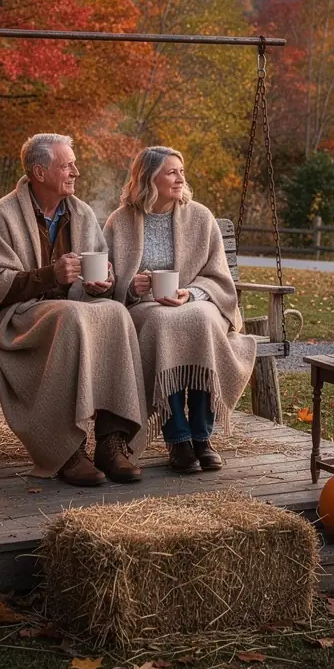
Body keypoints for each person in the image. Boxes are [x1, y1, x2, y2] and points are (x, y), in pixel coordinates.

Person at [0, 133, 147, 487]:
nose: (75, 172)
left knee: (116, 314)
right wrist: (49, 275)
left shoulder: (80, 212)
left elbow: (100, 269)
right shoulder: (2, 214)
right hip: (19, 315)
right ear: (39, 171)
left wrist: (104, 284)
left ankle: (112, 439)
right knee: (70, 316)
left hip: (72, 309)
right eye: (67, 165)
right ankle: (68, 448)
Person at [104, 146, 257, 473]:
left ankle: (202, 437)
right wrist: (132, 287)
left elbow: (218, 275)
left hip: (197, 300)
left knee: (201, 320)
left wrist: (192, 293)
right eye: (171, 172)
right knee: (161, 323)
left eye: (181, 171)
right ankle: (178, 439)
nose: (179, 177)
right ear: (148, 178)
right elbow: (107, 279)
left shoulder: (200, 216)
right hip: (146, 307)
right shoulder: (121, 220)